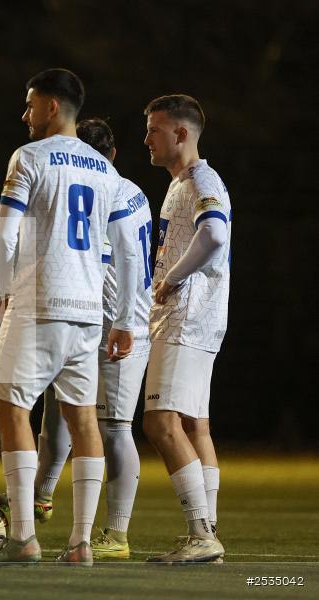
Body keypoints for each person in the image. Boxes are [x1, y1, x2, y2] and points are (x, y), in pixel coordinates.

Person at [0, 69, 140, 566]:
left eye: (30, 105)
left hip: (39, 304)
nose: (25, 116)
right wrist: (124, 320)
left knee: (11, 408)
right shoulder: (105, 171)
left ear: (52, 106)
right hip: (89, 313)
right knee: (83, 419)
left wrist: (4, 293)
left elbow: (4, 234)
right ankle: (82, 543)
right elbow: (129, 252)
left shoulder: (28, 158)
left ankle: (24, 538)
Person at [141, 94, 230, 564]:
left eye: (155, 129)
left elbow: (214, 233)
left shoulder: (200, 178)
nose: (146, 139)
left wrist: (172, 279)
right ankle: (207, 534)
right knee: (195, 424)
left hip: (186, 318)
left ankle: (201, 533)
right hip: (202, 319)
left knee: (159, 422)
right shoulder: (183, 183)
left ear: (181, 133)